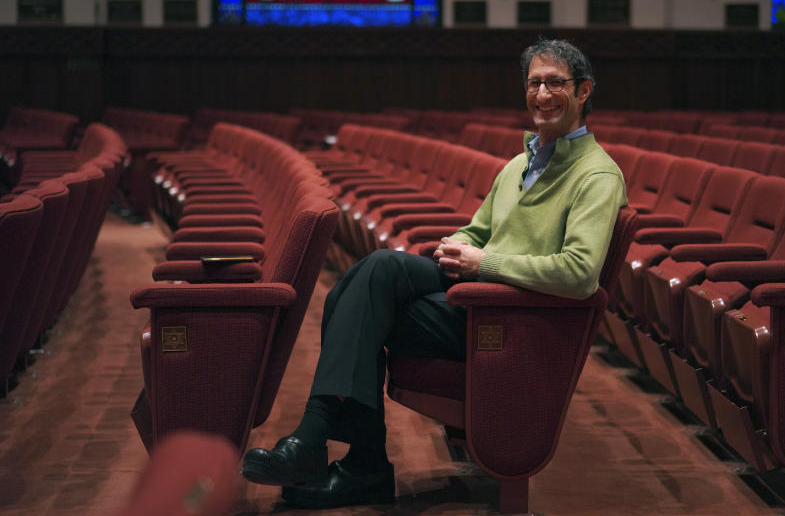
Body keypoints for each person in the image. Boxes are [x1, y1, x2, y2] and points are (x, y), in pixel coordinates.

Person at [241, 38, 627, 509]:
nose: (542, 94)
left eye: (556, 83)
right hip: (481, 294)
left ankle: (337, 451)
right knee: (369, 278)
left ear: (584, 91)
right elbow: (480, 229)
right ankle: (335, 450)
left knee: (361, 304)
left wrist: (482, 262)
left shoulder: (596, 176)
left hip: (510, 320)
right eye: (534, 83)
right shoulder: (520, 163)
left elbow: (580, 274)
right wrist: (459, 243)